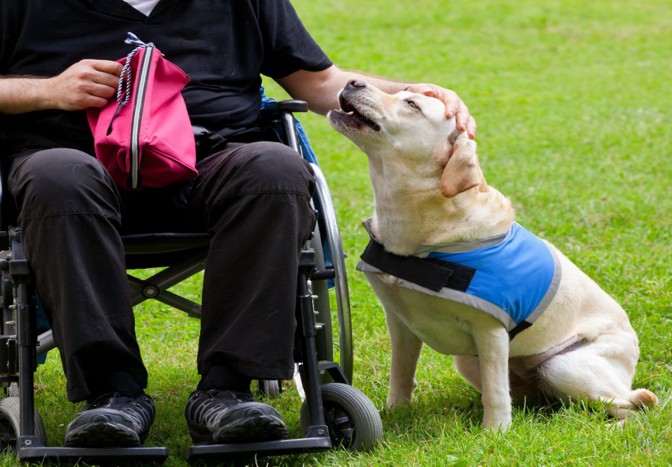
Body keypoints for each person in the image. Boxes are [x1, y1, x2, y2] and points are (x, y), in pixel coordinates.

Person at [0, 0, 475, 448]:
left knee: (274, 168)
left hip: (212, 160)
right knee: (55, 176)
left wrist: (416, 93)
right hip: (73, 170)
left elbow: (317, 82)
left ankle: (226, 393)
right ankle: (113, 395)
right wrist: (48, 89)